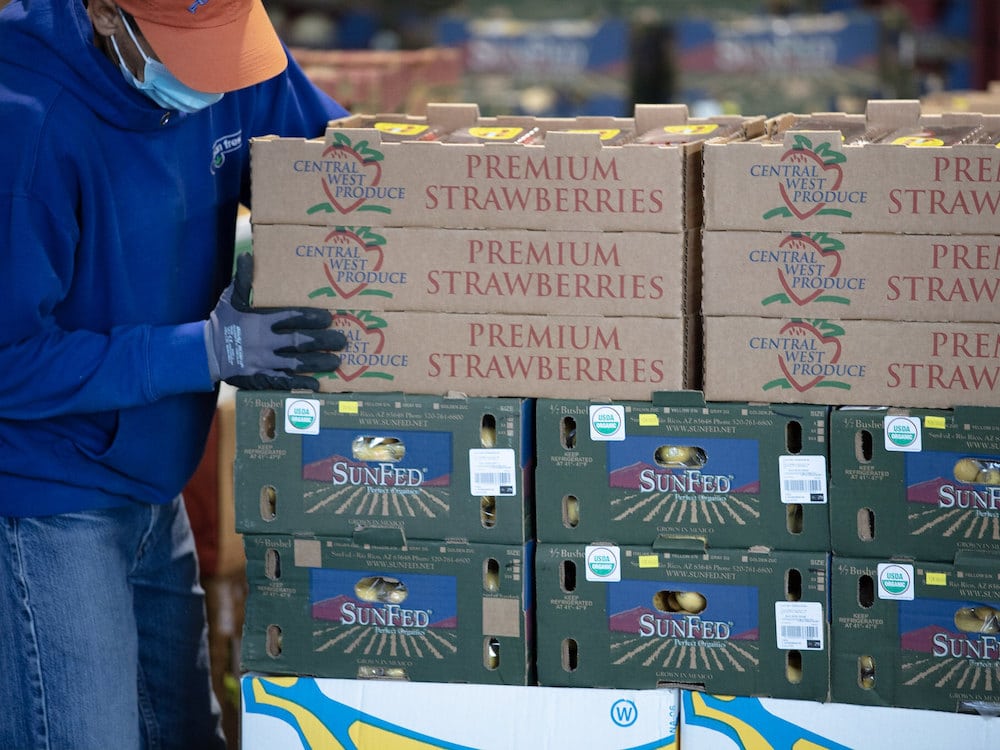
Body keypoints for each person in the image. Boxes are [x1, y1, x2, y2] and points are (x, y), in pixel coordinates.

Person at [0, 0, 350, 747]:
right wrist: (203, 352)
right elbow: (7, 361)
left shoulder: (232, 58)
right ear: (102, 14)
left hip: (154, 477)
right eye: (194, 56)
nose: (217, 84)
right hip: (45, 492)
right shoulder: (24, 121)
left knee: (187, 732)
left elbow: (339, 168)